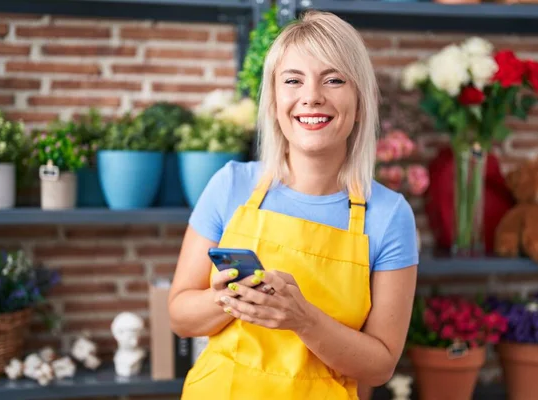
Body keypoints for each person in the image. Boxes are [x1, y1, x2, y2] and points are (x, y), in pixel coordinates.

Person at [168, 9, 418, 400]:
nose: (312, 97)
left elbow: (381, 364)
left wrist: (302, 320)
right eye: (293, 80)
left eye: (334, 79)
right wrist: (226, 298)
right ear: (274, 98)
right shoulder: (231, 184)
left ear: (360, 98)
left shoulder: (388, 214)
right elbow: (180, 316)